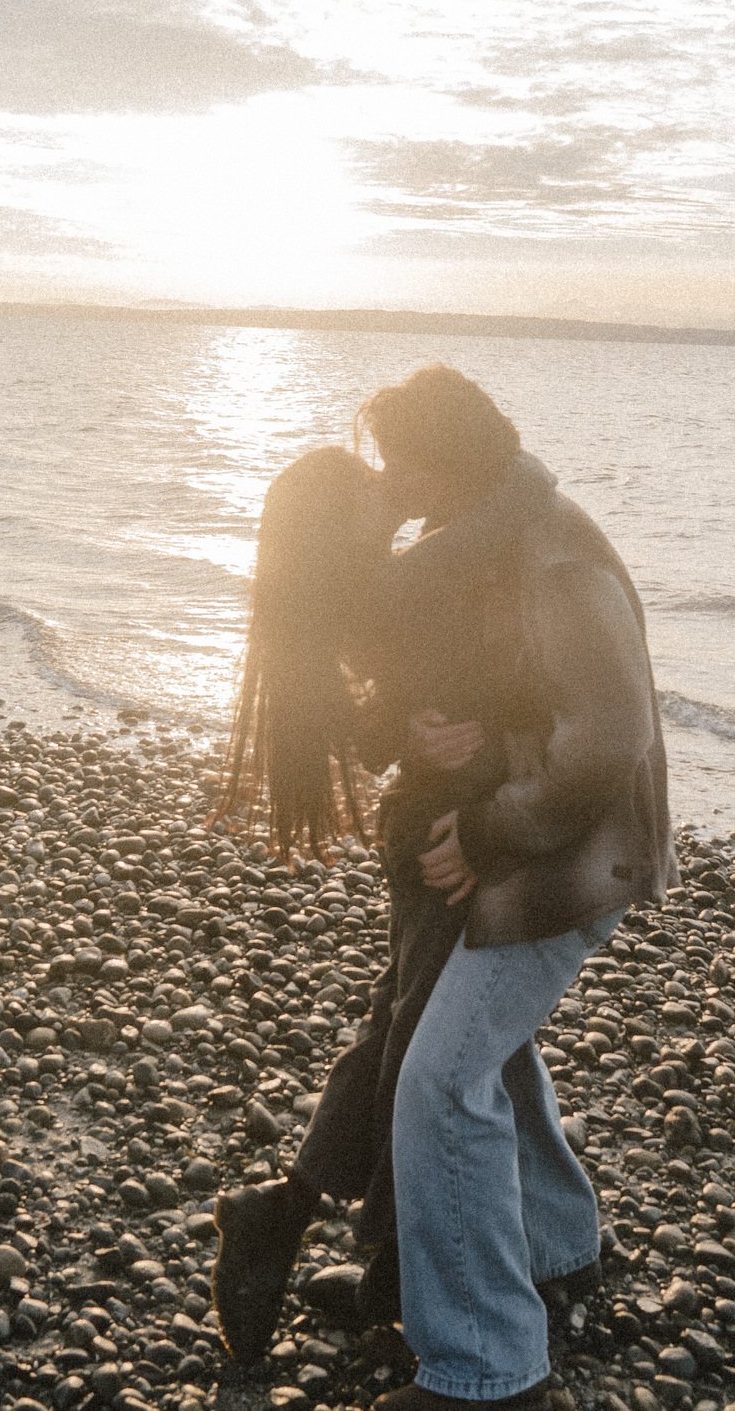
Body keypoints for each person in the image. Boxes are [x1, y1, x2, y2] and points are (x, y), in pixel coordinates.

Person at [357, 368, 674, 1411]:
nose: (387, 482)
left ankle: (489, 1373)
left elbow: (609, 735)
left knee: (440, 1083)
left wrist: (487, 829)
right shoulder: (488, 541)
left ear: (450, 459)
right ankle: (556, 1249)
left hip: (572, 862)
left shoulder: (551, 556)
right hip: (543, 847)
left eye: (399, 460)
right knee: (488, 1046)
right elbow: (525, 707)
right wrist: (455, 740)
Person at [210, 424, 557, 1361]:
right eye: (366, 482)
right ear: (344, 518)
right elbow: (511, 510)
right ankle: (380, 1257)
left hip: (418, 834)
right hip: (443, 842)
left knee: (404, 1031)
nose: (388, 481)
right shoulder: (404, 581)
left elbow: (370, 731)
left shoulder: (352, 587)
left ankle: (305, 1225)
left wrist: (406, 721)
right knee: (422, 1056)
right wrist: (516, 464)